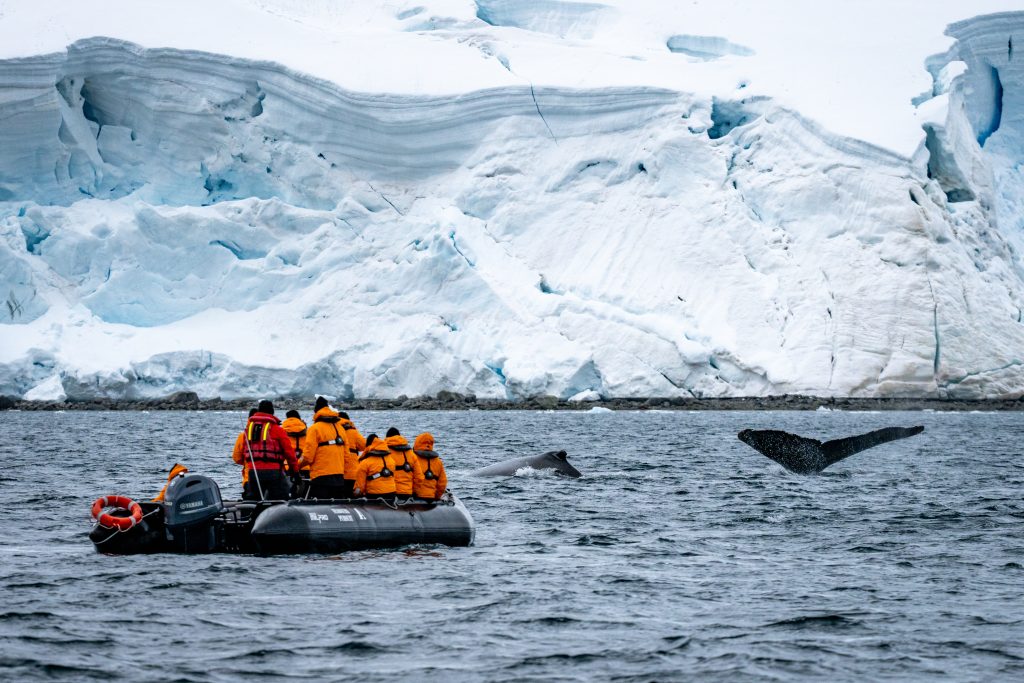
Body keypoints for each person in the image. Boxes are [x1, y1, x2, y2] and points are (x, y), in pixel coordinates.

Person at [235, 400, 299, 501]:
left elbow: (240, 455)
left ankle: (249, 516)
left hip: (253, 472)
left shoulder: (248, 430)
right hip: (274, 472)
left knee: (252, 500)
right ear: (272, 412)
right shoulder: (277, 429)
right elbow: (289, 453)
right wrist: (295, 472)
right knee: (281, 499)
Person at [299, 396, 350, 499]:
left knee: (321, 506)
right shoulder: (340, 429)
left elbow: (308, 456)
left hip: (321, 477)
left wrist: (296, 466)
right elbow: (347, 456)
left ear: (316, 411)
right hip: (339, 477)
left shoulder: (314, 429)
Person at [353, 434, 397, 501]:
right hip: (391, 493)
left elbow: (359, 487)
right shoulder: (391, 461)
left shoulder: (365, 463)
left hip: (374, 495)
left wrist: (355, 495)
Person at [385, 427, 422, 501]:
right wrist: (415, 492)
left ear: (387, 437)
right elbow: (419, 477)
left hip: (390, 493)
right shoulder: (411, 454)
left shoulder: (385, 452)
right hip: (408, 493)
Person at [412, 433, 448, 501]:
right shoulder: (438, 462)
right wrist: (437, 497)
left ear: (417, 443)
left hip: (415, 498)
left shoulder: (412, 459)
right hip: (431, 497)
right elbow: (442, 484)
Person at [231, 408, 259, 496]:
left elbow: (236, 458)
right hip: (271, 477)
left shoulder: (243, 436)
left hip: (249, 478)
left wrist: (246, 461)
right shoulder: (271, 434)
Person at [337, 411, 366, 492]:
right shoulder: (353, 432)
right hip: (352, 472)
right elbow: (364, 445)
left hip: (336, 471)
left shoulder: (334, 431)